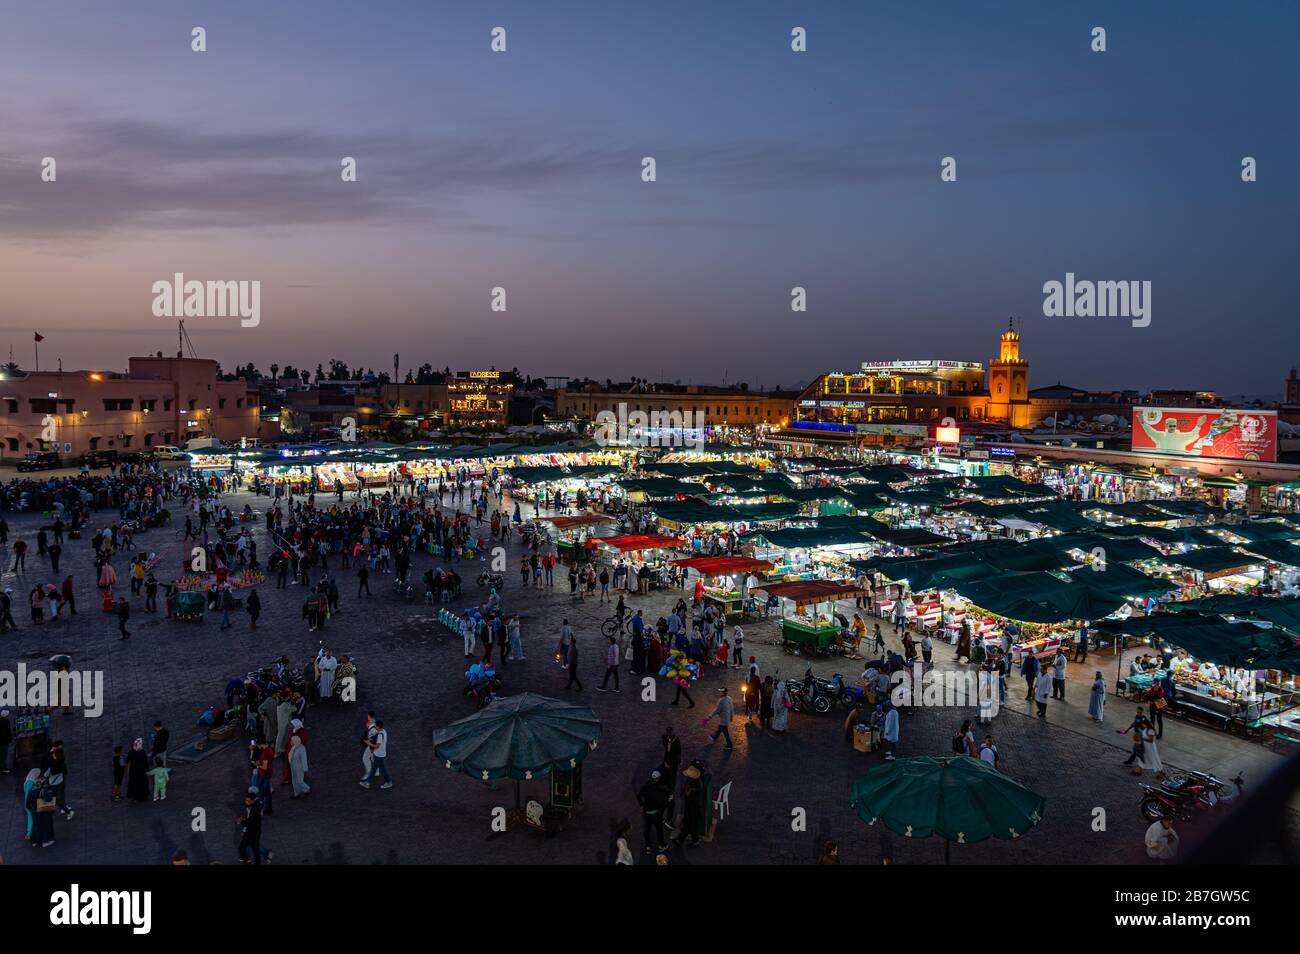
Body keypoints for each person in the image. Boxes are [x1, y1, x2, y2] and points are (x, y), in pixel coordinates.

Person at [636, 771, 670, 854]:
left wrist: (642, 804)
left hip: (646, 812)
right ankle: (661, 845)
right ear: (658, 778)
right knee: (659, 830)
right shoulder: (658, 789)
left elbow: (639, 795)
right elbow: (663, 802)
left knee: (647, 830)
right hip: (655, 814)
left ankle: (648, 847)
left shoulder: (646, 786)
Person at [238, 790, 271, 864]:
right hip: (253, 831)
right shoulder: (252, 806)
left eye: (248, 801)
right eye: (246, 800)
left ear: (253, 800)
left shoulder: (255, 810)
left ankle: (247, 860)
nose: (246, 802)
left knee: (244, 847)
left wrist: (242, 821)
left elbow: (250, 823)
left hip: (252, 832)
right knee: (254, 848)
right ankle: (253, 861)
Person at [360, 720, 392, 789]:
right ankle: (367, 783)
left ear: (378, 726)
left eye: (375, 726)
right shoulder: (384, 731)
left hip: (379, 755)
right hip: (378, 754)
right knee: (374, 769)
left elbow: (377, 746)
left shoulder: (380, 735)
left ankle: (389, 782)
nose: (374, 727)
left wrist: (368, 743)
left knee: (383, 770)